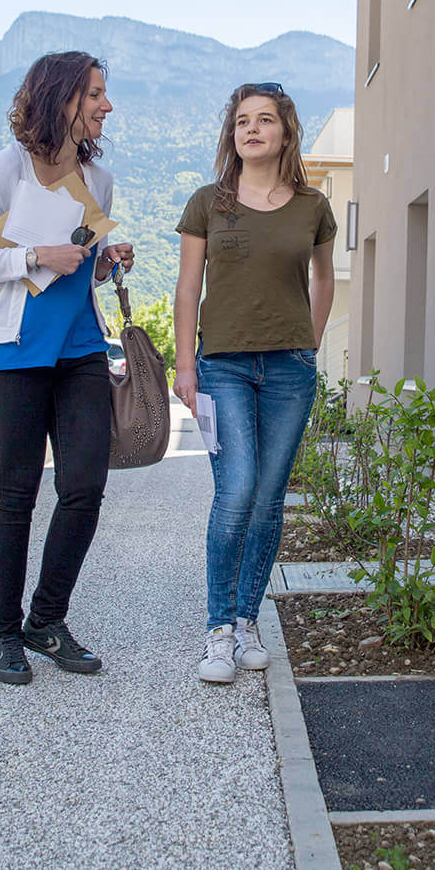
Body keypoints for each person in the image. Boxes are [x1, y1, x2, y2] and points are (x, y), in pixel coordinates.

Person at [0, 51, 133, 685]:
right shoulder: (2, 171)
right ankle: (5, 635)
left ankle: (46, 619)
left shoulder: (98, 180)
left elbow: (84, 262)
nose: (106, 106)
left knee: (83, 487)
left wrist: (106, 258)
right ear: (61, 99)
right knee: (17, 493)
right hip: (8, 353)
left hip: (79, 349)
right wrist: (35, 255)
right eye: (95, 95)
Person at [173, 82, 336, 684]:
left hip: (290, 369)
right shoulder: (208, 204)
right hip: (223, 366)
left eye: (265, 120)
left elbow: (325, 280)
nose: (252, 129)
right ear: (232, 134)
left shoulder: (313, 207)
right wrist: (186, 366)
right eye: (243, 121)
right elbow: (188, 288)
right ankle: (218, 628)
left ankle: (246, 620)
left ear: (285, 132)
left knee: (270, 498)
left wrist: (310, 341)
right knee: (236, 490)